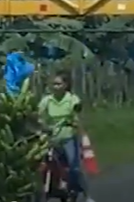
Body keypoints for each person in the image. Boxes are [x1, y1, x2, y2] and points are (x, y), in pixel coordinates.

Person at [39, 72, 94, 202]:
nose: (55, 87)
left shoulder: (71, 98)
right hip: (53, 138)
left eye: (59, 84)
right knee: (49, 165)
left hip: (68, 137)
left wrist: (73, 117)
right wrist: (42, 124)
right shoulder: (47, 100)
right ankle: (53, 188)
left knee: (74, 167)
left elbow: (77, 107)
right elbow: (39, 113)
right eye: (54, 84)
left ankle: (87, 196)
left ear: (65, 85)